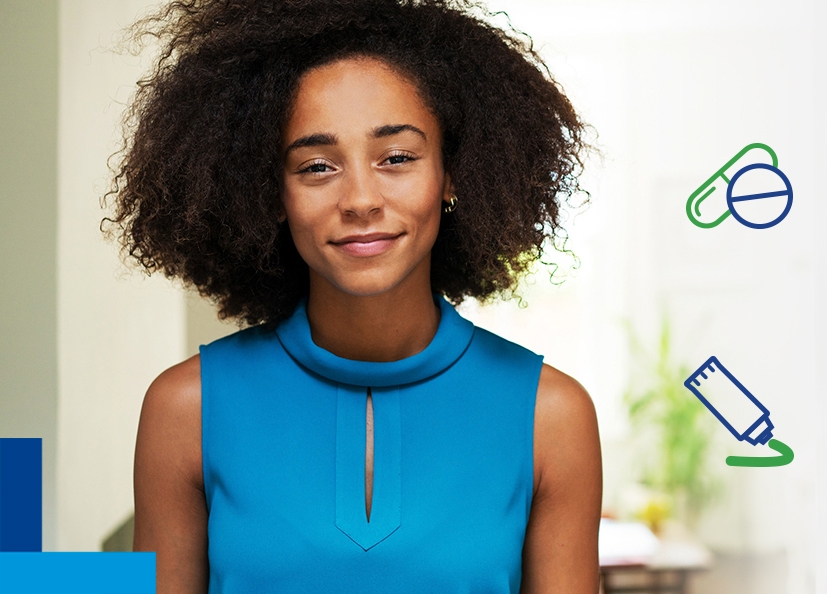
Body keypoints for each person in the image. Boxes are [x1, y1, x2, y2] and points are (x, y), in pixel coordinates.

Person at [108, 0, 602, 592]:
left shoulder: (551, 418)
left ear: (450, 175)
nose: (360, 199)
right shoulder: (185, 410)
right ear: (270, 193)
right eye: (317, 166)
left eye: (397, 157)